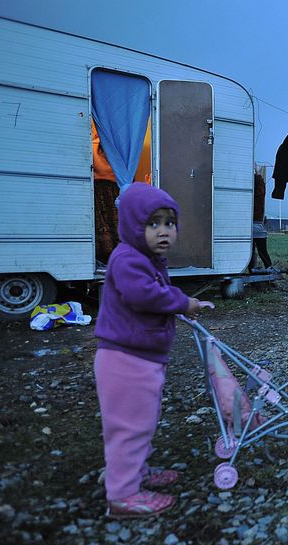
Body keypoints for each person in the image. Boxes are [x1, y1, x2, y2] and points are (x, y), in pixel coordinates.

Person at [93, 182, 213, 519]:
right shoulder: (128, 259)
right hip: (125, 360)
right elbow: (144, 295)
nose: (164, 232)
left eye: (169, 223)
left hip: (141, 358)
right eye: (153, 223)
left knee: (141, 422)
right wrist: (184, 302)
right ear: (132, 224)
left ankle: (137, 472)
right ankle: (123, 495)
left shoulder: (146, 258)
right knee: (129, 427)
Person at [249, 172, 274, 272]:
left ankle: (251, 270)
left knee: (250, 252)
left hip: (250, 225)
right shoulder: (260, 193)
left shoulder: (250, 194)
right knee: (262, 251)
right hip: (258, 225)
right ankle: (269, 268)